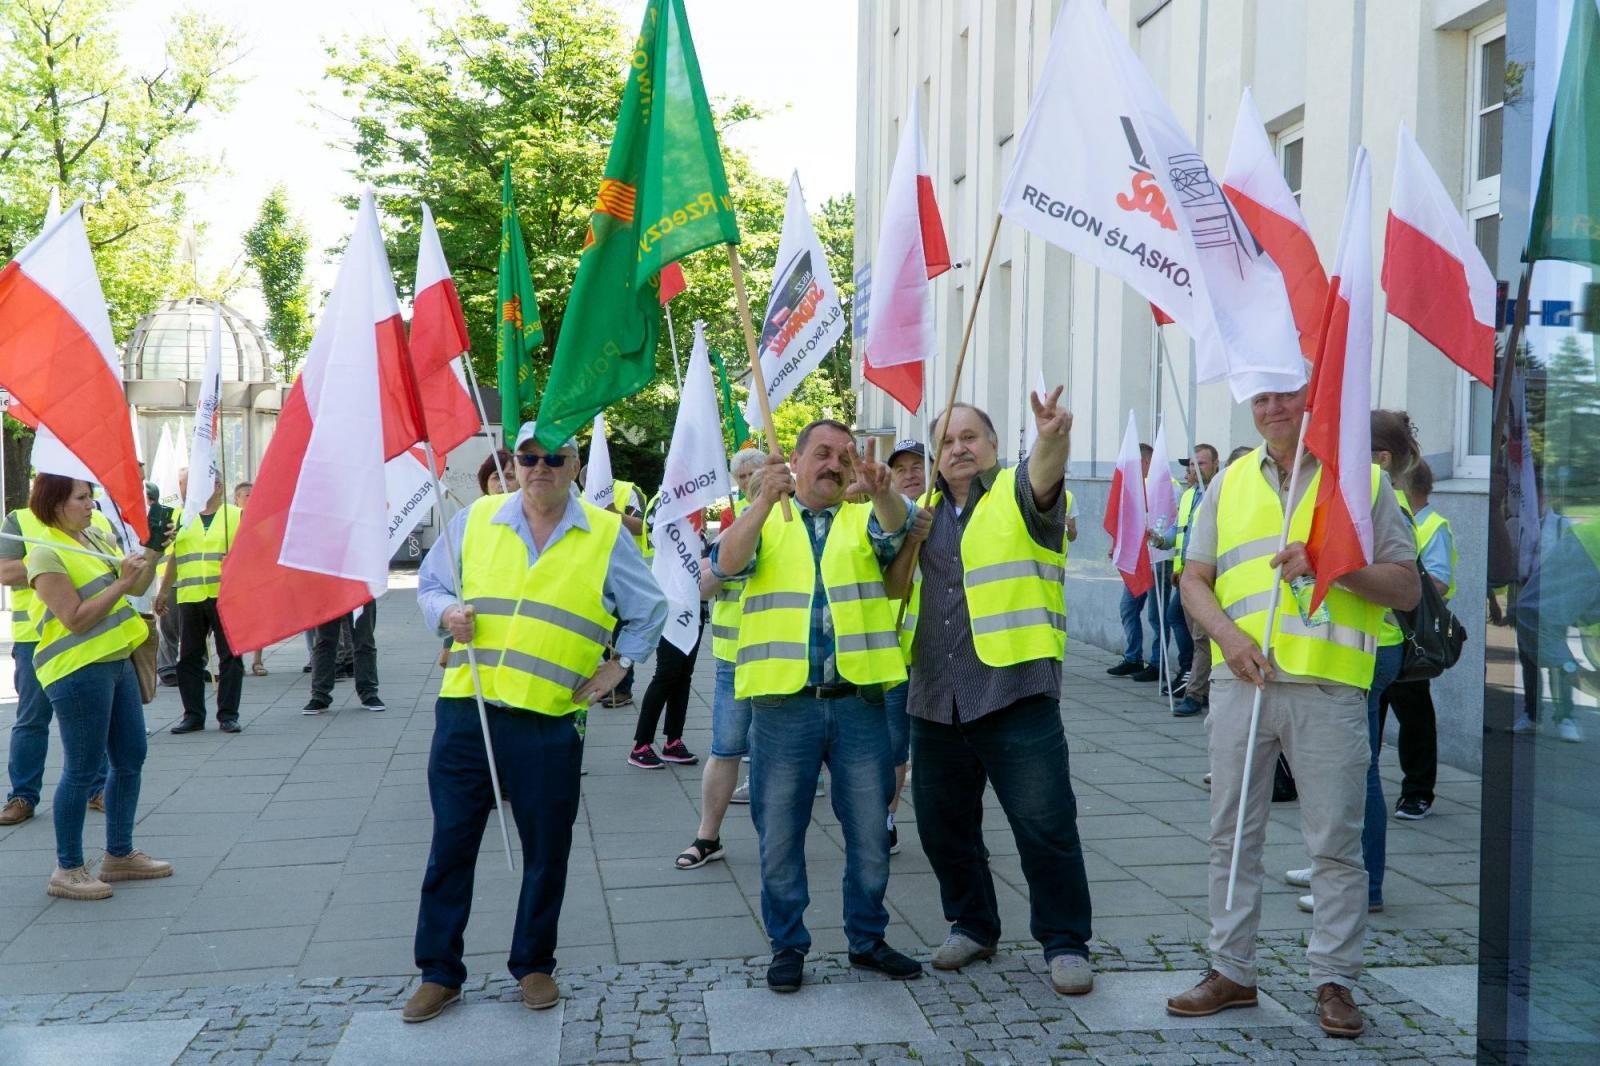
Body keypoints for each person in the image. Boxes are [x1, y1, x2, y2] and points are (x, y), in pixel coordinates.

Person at [1167, 387, 1418, 1038]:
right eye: (1261, 397)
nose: (1273, 407)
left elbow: (1407, 585)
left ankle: (1335, 981)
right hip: (1241, 679)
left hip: (1329, 686)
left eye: (1286, 394)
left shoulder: (1359, 481)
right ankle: (1231, 972)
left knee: (1335, 846)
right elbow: (1193, 578)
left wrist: (1334, 567)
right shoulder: (1226, 483)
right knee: (1230, 835)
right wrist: (1229, 638)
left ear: (1313, 397)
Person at [405, 422, 665, 1022]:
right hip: (468, 711)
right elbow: (431, 585)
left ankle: (534, 963)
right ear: (514, 463)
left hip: (549, 720)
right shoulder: (479, 519)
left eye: (555, 457)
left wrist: (618, 668)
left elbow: (649, 609)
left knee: (548, 849)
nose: (540, 467)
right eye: (529, 457)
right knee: (451, 846)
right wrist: (447, 614)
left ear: (574, 466)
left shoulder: (603, 533)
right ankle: (439, 972)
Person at [888, 394, 1097, 997]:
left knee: (1045, 826)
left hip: (1015, 691)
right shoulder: (917, 512)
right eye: (947, 441)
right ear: (934, 456)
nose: (959, 448)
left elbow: (1046, 477)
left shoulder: (1017, 493)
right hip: (935, 695)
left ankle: (1064, 942)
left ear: (995, 446)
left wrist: (1053, 437)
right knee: (942, 827)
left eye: (971, 437)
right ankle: (973, 924)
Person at [713, 419, 920, 993]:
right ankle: (788, 945)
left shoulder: (865, 517)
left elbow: (897, 532)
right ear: (797, 460)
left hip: (858, 704)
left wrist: (882, 490)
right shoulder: (766, 520)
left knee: (872, 836)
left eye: (845, 455)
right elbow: (723, 565)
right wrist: (760, 502)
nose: (834, 463)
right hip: (783, 707)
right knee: (779, 834)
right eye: (822, 453)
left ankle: (867, 939)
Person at [1288, 409, 1420, 915]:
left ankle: (1364, 884)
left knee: (1356, 772)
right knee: (1339, 768)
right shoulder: (1352, 495)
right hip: (1349, 645)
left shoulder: (1381, 502)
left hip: (1372, 647)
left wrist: (1329, 567)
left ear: (1380, 459)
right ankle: (1332, 862)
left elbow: (1400, 584)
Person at [25, 475, 174, 899]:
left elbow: (139, 586)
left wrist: (154, 548)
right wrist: (123, 583)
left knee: (130, 757)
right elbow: (74, 618)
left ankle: (119, 855)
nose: (91, 504)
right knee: (82, 769)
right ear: (56, 503)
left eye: (90, 496)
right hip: (78, 670)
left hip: (115, 660)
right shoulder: (46, 553)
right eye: (82, 497)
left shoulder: (94, 536)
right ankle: (68, 868)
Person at [675, 449, 765, 870]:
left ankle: (780, 843)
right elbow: (702, 587)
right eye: (741, 474)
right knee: (725, 748)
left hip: (783, 661)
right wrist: (729, 563)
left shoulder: (791, 519)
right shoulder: (732, 524)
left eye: (754, 472)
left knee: (780, 754)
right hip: (734, 659)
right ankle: (707, 837)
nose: (748, 480)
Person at [0, 479, 109, 826]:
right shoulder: (18, 521)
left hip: (90, 634)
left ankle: (99, 787)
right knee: (32, 719)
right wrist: (55, 558)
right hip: (36, 637)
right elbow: (4, 571)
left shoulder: (97, 519)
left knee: (95, 718)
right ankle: (22, 795)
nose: (88, 502)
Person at [1382, 461, 1454, 820]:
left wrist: (1396, 583)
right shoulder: (1397, 518)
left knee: (1415, 720)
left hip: (1411, 640)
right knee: (1368, 718)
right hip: (1381, 635)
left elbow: (1439, 581)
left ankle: (1418, 792)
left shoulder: (1432, 525)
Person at [156, 474, 244, 734]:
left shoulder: (235, 515)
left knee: (230, 656)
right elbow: (174, 557)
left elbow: (254, 551)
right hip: (190, 595)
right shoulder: (182, 516)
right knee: (189, 658)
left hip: (225, 595)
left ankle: (228, 715)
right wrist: (162, 591)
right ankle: (193, 715)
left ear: (218, 487)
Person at [629, 506, 708, 769]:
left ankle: (673, 741)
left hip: (696, 609)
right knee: (666, 675)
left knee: (684, 677)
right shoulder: (667, 508)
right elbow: (654, 534)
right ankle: (641, 745)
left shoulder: (697, 525)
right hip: (672, 609)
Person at [1167, 445, 1219, 717]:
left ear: (1215, 464)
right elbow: (1179, 533)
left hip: (1206, 578)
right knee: (1175, 619)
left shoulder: (1218, 493)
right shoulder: (1189, 496)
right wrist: (1158, 539)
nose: (1194, 470)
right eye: (1191, 465)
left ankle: (1195, 693)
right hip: (1185, 576)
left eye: (1201, 464)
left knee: (1201, 636)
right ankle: (1196, 676)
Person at [1107, 443, 1162, 680]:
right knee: (1128, 608)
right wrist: (1119, 546)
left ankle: (1158, 664)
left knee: (1156, 616)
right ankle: (1133, 658)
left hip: (1157, 560)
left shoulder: (1163, 487)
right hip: (1137, 561)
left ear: (1147, 462)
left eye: (1134, 464)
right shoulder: (1134, 490)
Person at [600, 474, 649, 708]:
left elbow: (642, 527)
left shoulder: (628, 490)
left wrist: (612, 513)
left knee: (620, 633)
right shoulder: (581, 494)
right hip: (594, 572)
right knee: (600, 634)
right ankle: (607, 684)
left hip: (623, 574)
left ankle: (622, 688)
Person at [304, 601, 381, 714]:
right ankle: (319, 696)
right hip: (329, 589)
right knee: (324, 642)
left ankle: (369, 693)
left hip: (360, 587)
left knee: (364, 640)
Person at [232, 482, 269, 678]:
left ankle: (257, 660)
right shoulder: (229, 519)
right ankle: (235, 658)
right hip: (235, 576)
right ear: (237, 498)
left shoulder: (260, 518)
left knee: (258, 617)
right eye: (247, 495)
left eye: (254, 494)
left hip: (256, 574)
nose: (251, 497)